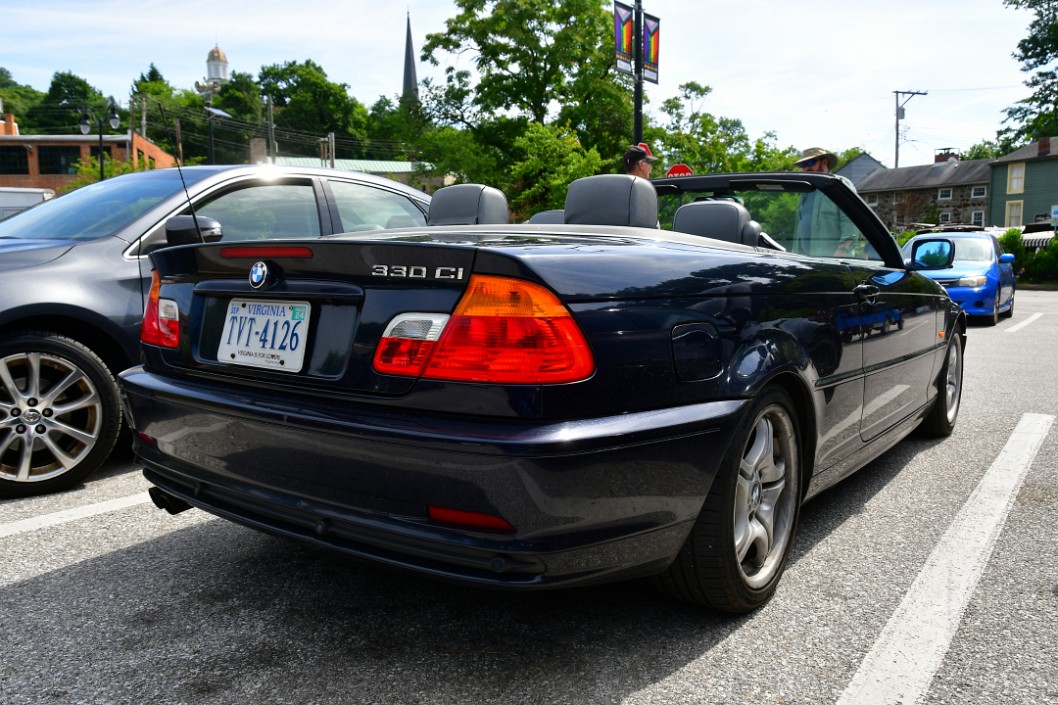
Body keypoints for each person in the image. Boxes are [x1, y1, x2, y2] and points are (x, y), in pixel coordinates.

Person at [793, 147, 862, 257]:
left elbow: (851, 224)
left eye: (810, 162)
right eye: (803, 165)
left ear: (824, 162)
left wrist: (841, 253)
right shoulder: (806, 191)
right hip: (805, 262)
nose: (806, 167)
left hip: (833, 263)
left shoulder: (839, 185)